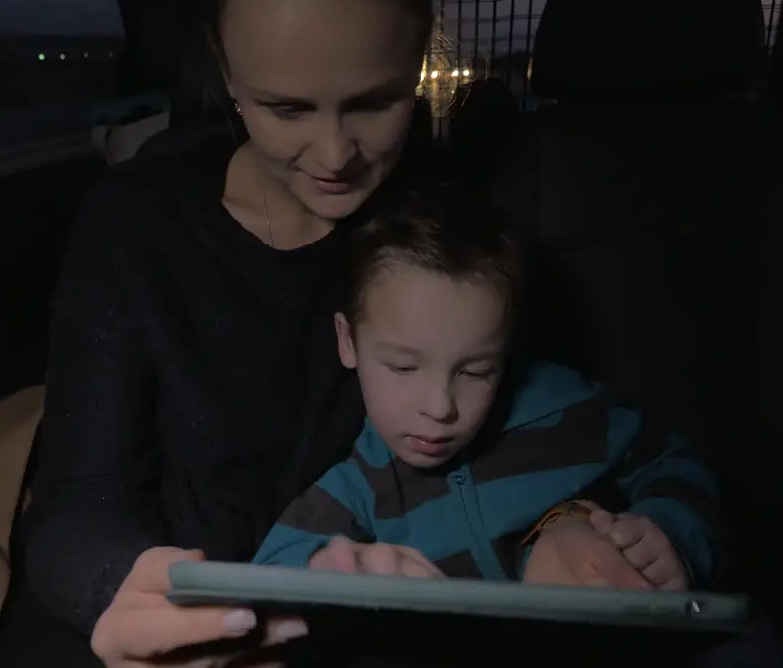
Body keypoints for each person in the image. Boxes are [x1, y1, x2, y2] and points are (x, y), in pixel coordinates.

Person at [0, 0, 783, 665]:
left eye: (376, 102)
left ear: (419, 60)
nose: (335, 157)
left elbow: (539, 434)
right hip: (221, 612)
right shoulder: (136, 225)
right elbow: (78, 502)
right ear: (226, 72)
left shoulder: (460, 219)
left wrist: (567, 525)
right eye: (285, 108)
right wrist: (127, 587)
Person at [253, 190, 718, 593]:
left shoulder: (567, 408)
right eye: (402, 366)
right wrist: (338, 569)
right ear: (347, 342)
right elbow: (268, 571)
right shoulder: (362, 487)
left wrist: (671, 533)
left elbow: (678, 465)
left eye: (476, 371)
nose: (440, 408)